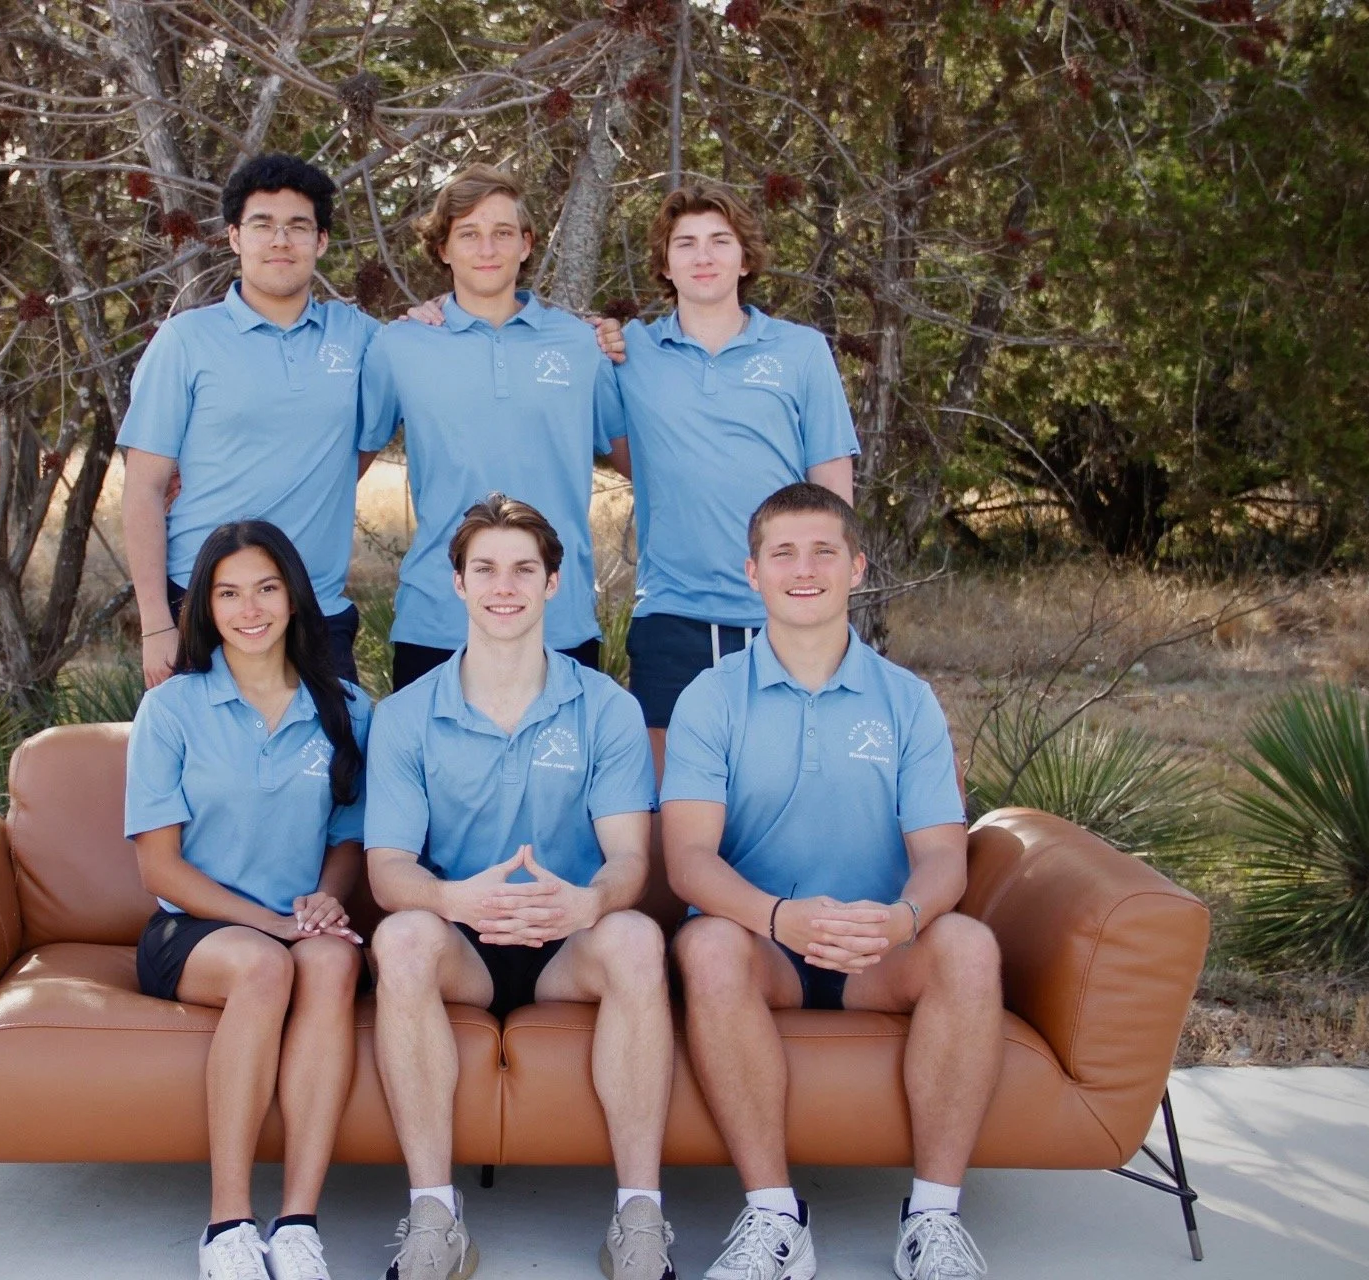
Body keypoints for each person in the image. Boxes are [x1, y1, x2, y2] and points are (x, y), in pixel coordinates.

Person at [662, 483, 999, 1280]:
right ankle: (775, 1217)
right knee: (706, 946)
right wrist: (781, 920)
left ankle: (934, 1222)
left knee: (970, 946)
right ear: (752, 573)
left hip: (879, 951)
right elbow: (689, 861)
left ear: (857, 567)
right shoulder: (711, 697)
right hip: (764, 946)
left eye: (823, 552)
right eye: (783, 552)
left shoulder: (907, 700)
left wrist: (902, 921)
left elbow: (945, 857)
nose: (803, 569)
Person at [362, 494, 674, 1280]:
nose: (505, 587)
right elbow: (388, 870)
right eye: (486, 569)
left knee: (637, 937)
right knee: (399, 936)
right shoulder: (404, 717)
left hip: (568, 942)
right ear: (458, 583)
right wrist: (452, 901)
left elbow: (630, 862)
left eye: (523, 570)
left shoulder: (607, 709)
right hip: (460, 943)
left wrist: (590, 902)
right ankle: (436, 1216)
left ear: (554, 583)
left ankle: (640, 1217)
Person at [125, 520, 372, 1280]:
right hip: (193, 932)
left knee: (330, 965)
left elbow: (347, 841)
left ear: (295, 599)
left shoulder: (349, 711)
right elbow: (159, 869)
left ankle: (297, 1223)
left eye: (266, 588)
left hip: (294, 926)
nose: (250, 608)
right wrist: (271, 924)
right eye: (229, 593)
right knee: (268, 967)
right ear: (207, 607)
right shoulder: (173, 710)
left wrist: (327, 903)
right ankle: (227, 1226)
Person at [615, 181, 860, 773]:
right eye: (686, 243)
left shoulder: (801, 351)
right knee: (669, 799)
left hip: (779, 611)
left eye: (720, 242)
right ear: (665, 263)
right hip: (672, 612)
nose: (703, 256)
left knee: (785, 782)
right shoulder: (628, 353)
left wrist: (824, 593)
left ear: (744, 258)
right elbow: (631, 458)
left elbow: (832, 490)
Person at [359, 165, 627, 692]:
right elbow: (344, 467)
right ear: (443, 249)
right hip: (439, 618)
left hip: (559, 616)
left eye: (503, 233)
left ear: (526, 245)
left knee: (560, 776)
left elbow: (639, 463)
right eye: (468, 234)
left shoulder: (582, 346)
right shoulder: (400, 346)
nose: (487, 248)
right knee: (440, 776)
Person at [120, 154, 374, 689]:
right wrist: (156, 626)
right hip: (203, 606)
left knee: (334, 768)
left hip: (315, 610)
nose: (281, 240)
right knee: (207, 772)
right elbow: (142, 490)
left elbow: (424, 371)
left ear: (321, 242)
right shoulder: (185, 341)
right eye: (263, 225)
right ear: (235, 237)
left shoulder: (359, 338)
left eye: (299, 227)